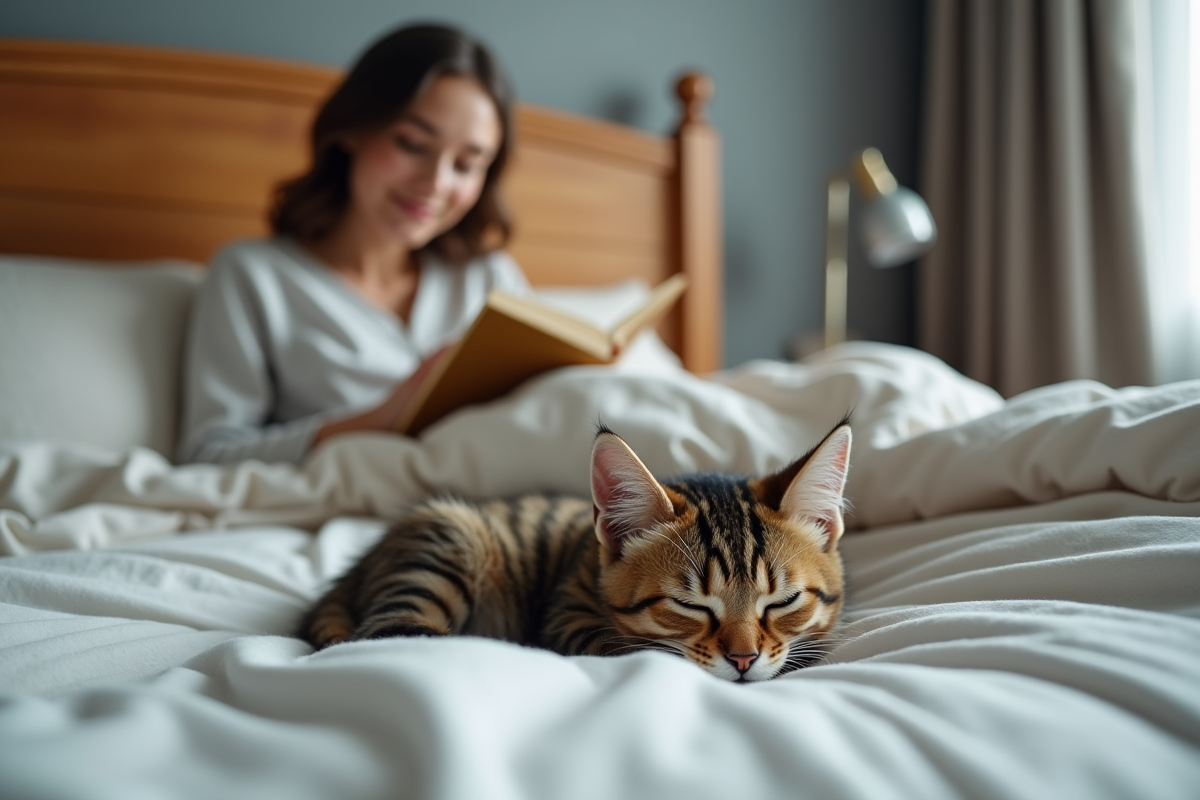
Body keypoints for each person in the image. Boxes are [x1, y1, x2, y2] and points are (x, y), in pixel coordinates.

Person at [178, 24, 529, 465]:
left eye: (465, 164)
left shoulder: (491, 279)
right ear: (354, 129)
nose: (435, 183)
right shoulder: (252, 275)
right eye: (412, 144)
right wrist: (383, 417)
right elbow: (207, 457)